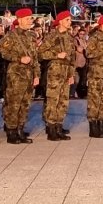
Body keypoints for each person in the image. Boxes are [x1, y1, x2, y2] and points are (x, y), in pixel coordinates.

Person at [0, 8, 40, 144]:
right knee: (14, 104)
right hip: (15, 75)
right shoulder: (11, 36)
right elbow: (0, 50)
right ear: (20, 20)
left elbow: (35, 57)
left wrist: (36, 74)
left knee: (25, 104)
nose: (30, 21)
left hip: (28, 75)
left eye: (31, 18)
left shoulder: (31, 36)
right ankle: (11, 132)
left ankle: (20, 129)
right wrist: (18, 58)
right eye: (28, 19)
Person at [39, 11, 77, 140]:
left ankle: (59, 126)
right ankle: (51, 128)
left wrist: (72, 74)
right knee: (53, 100)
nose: (69, 22)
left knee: (63, 101)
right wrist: (56, 55)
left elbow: (72, 58)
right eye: (67, 20)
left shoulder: (70, 37)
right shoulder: (52, 36)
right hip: (54, 73)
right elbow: (41, 53)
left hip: (66, 73)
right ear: (60, 21)